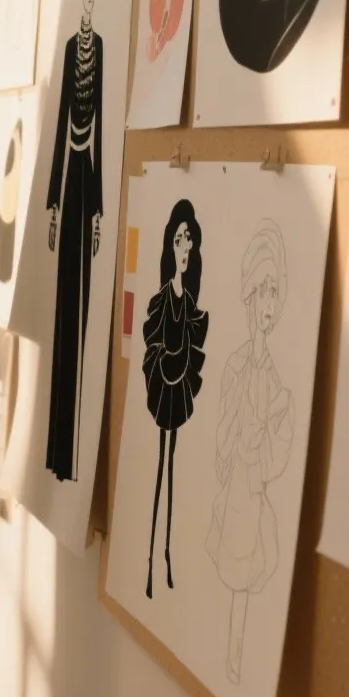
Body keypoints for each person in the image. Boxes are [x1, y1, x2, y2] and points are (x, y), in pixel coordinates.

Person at [207, 221, 295, 683]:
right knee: (228, 574)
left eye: (274, 293)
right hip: (235, 491)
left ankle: (235, 661)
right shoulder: (237, 366)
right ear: (248, 298)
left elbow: (274, 448)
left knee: (245, 581)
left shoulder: (275, 381)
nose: (268, 303)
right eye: (261, 292)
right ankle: (227, 655)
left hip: (252, 493)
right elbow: (224, 437)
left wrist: (260, 442)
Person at [44, 0, 105, 482]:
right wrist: (53, 204)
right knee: (64, 305)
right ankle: (58, 448)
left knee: (86, 304)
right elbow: (65, 120)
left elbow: (98, 129)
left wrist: (100, 205)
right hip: (69, 184)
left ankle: (73, 442)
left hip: (90, 181)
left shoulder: (101, 48)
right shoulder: (70, 49)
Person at [141, 198, 208, 599]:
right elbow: (153, 337)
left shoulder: (193, 306)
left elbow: (191, 340)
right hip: (163, 385)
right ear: (170, 247)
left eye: (190, 242)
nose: (184, 249)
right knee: (157, 472)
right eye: (179, 240)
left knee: (172, 470)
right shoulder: (161, 298)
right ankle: (150, 558)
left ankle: (166, 553)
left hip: (180, 386)